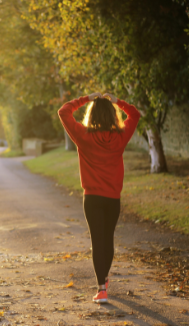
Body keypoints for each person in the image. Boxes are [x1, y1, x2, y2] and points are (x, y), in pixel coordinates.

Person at [58, 92, 141, 304]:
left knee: (97, 241)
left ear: (91, 115)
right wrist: (117, 101)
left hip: (92, 198)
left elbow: (64, 111)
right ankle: (104, 279)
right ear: (113, 116)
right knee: (108, 239)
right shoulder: (121, 136)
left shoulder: (83, 135)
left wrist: (86, 98)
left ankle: (102, 288)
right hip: (112, 198)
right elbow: (135, 114)